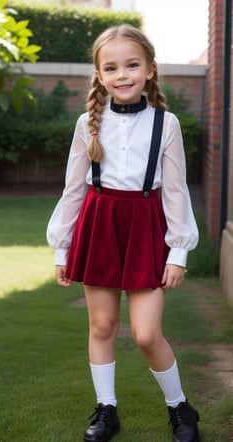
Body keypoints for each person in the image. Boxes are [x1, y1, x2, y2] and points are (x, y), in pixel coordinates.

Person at [46, 24, 200, 442]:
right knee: (102, 326)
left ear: (149, 69)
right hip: (100, 225)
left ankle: (180, 408)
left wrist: (178, 252)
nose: (123, 74)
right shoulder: (86, 124)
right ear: (100, 75)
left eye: (132, 65)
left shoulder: (166, 124)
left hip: (146, 227)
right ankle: (106, 409)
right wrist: (62, 247)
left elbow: (175, 191)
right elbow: (74, 188)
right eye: (111, 68)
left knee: (147, 333)